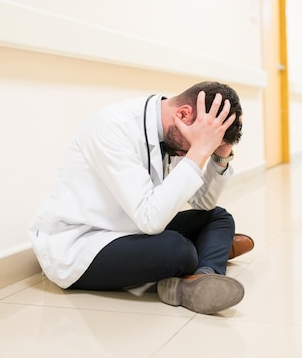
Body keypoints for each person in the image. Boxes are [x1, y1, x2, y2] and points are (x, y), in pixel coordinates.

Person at [28, 81, 254, 315]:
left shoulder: (176, 132)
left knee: (218, 217)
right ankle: (206, 252)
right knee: (178, 250)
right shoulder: (113, 127)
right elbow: (150, 220)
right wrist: (197, 150)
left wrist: (221, 153)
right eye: (200, 145)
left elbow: (203, 204)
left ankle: (202, 277)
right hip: (83, 246)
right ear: (184, 114)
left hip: (132, 228)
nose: (192, 154)